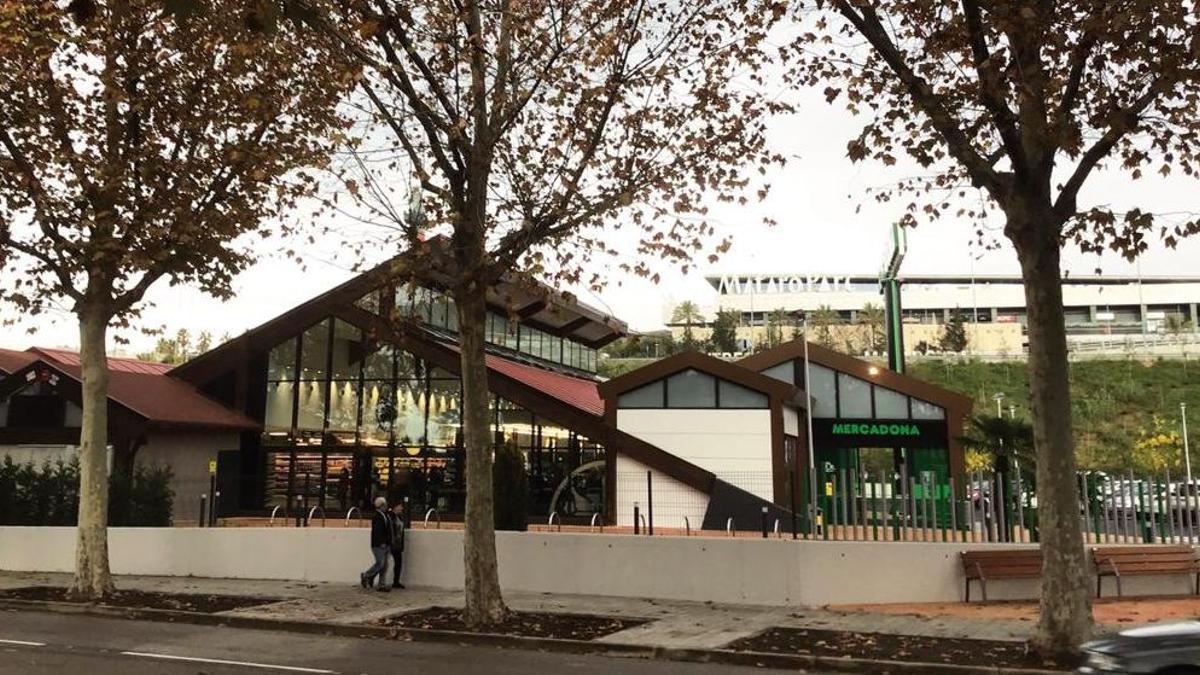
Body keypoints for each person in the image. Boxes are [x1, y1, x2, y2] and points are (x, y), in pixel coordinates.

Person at [360, 496, 390, 592]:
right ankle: (367, 575)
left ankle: (381, 584)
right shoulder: (377, 517)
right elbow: (377, 531)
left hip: (385, 543)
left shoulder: (384, 515)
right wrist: (381, 542)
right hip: (379, 544)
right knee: (380, 563)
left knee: (384, 565)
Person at [388, 502, 406, 589]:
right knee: (382, 563)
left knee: (398, 563)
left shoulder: (400, 517)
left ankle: (396, 581)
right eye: (400, 506)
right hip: (392, 543)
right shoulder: (391, 517)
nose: (401, 508)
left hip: (397, 544)